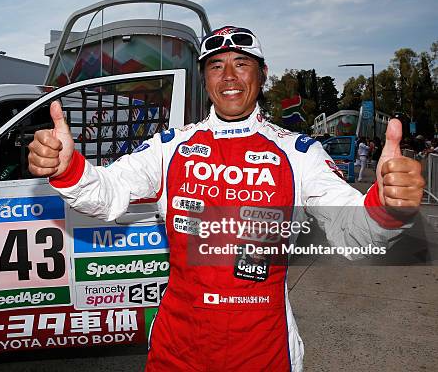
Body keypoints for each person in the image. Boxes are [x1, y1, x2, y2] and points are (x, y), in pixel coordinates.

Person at [28, 26, 424, 371]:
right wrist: (67, 167)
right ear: (204, 79)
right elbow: (106, 193)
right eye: (217, 66)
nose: (229, 76)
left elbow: (351, 229)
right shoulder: (172, 147)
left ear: (263, 74)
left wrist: (387, 207)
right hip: (178, 346)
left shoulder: (298, 152)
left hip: (262, 347)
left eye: (242, 63)